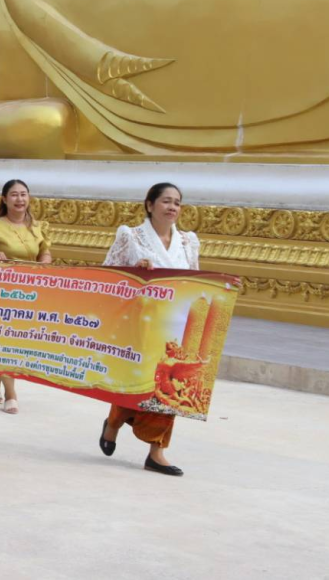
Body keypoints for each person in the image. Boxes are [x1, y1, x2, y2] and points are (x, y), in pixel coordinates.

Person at [99, 182, 198, 478]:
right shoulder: (131, 237)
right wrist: (135, 272)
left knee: (170, 386)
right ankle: (113, 422)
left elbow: (195, 281)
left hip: (174, 327)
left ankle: (157, 451)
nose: (172, 207)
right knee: (135, 385)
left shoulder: (188, 242)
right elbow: (108, 276)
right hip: (140, 326)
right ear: (150, 205)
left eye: (177, 203)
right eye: (166, 201)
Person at [0, 179, 52, 415]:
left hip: (28, 292)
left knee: (16, 341)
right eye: (14, 195)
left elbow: (45, 252)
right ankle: (11, 394)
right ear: (4, 199)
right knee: (5, 339)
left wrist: (44, 263)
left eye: (23, 194)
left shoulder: (38, 226)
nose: (19, 199)